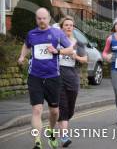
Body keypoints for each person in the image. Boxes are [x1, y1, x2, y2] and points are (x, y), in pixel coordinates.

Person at [18, 8, 73, 149]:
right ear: (36, 19)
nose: (42, 21)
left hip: (53, 77)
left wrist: (57, 51)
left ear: (49, 19)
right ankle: (37, 141)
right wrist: (22, 56)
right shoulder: (31, 34)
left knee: (54, 111)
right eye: (39, 18)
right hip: (35, 77)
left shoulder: (57, 33)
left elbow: (70, 49)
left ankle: (50, 129)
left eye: (44, 18)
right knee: (37, 110)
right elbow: (26, 45)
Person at [57, 16, 88, 147]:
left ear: (73, 28)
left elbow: (85, 59)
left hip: (72, 75)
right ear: (61, 27)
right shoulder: (56, 42)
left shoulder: (78, 43)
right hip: (57, 75)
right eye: (66, 25)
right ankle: (64, 136)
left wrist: (75, 56)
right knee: (62, 106)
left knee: (70, 109)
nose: (69, 27)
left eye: (71, 25)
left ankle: (60, 124)